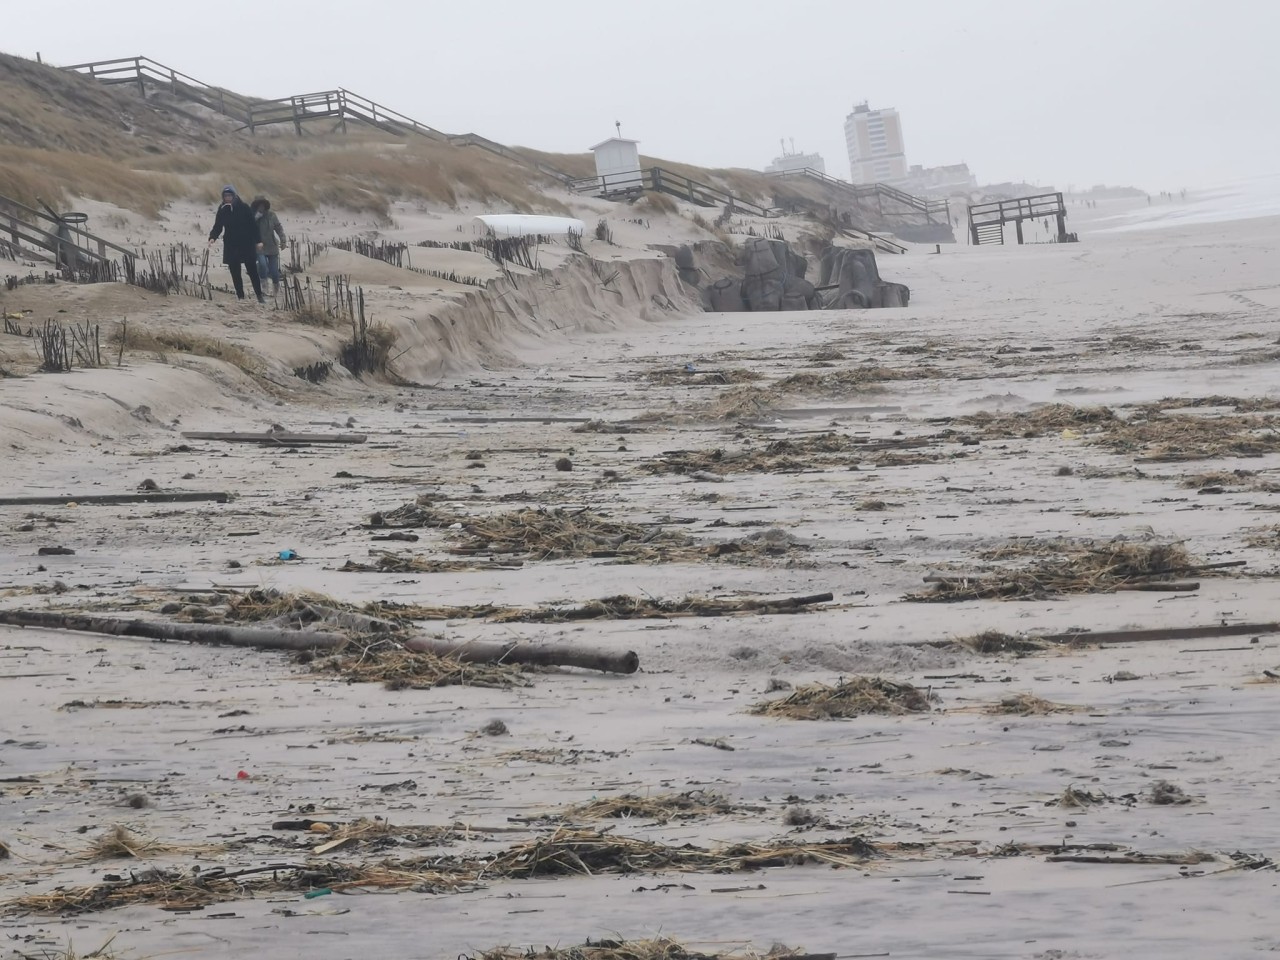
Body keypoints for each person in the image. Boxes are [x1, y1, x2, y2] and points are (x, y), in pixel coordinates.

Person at [208, 185, 264, 303]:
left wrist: (258, 241)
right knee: (235, 272)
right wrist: (213, 237)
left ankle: (259, 296)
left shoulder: (244, 207)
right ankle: (241, 297)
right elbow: (218, 226)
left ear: (234, 196)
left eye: (229, 195)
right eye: (225, 196)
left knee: (252, 271)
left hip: (246, 243)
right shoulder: (222, 209)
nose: (227, 198)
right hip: (231, 244)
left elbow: (253, 225)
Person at [251, 196, 287, 294]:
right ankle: (264, 285)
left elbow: (279, 228)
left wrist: (283, 240)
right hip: (259, 246)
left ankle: (276, 287)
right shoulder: (252, 215)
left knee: (274, 272)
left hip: (272, 246)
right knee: (262, 265)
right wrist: (256, 218)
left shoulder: (272, 215)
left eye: (262, 205)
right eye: (258, 205)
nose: (261, 207)